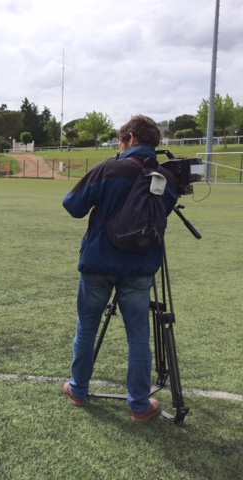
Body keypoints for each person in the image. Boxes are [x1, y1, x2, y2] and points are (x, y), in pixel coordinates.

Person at [61, 115, 178, 423]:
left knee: (86, 327)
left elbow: (72, 205)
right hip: (140, 267)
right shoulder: (165, 178)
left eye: (120, 140)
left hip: (99, 261)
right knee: (138, 334)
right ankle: (140, 405)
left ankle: (78, 390)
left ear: (130, 139)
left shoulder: (109, 169)